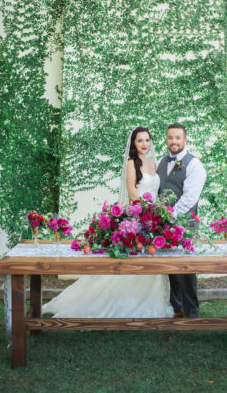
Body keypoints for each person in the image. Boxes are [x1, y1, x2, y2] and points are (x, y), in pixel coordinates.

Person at [42, 127, 173, 318]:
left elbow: (158, 191)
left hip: (155, 219)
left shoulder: (154, 163)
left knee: (151, 262)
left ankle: (148, 302)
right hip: (139, 217)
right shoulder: (131, 163)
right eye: (140, 141)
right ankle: (125, 303)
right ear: (133, 144)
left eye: (147, 140)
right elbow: (133, 194)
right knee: (136, 261)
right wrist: (146, 215)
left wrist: (158, 215)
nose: (144, 144)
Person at [157, 123, 206, 318]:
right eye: (170, 137)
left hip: (186, 224)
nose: (174, 141)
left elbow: (189, 198)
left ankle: (192, 312)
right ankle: (176, 309)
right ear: (167, 140)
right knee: (171, 267)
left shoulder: (194, 165)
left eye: (178, 138)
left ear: (185, 140)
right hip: (166, 224)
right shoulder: (162, 162)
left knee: (186, 268)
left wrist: (170, 216)